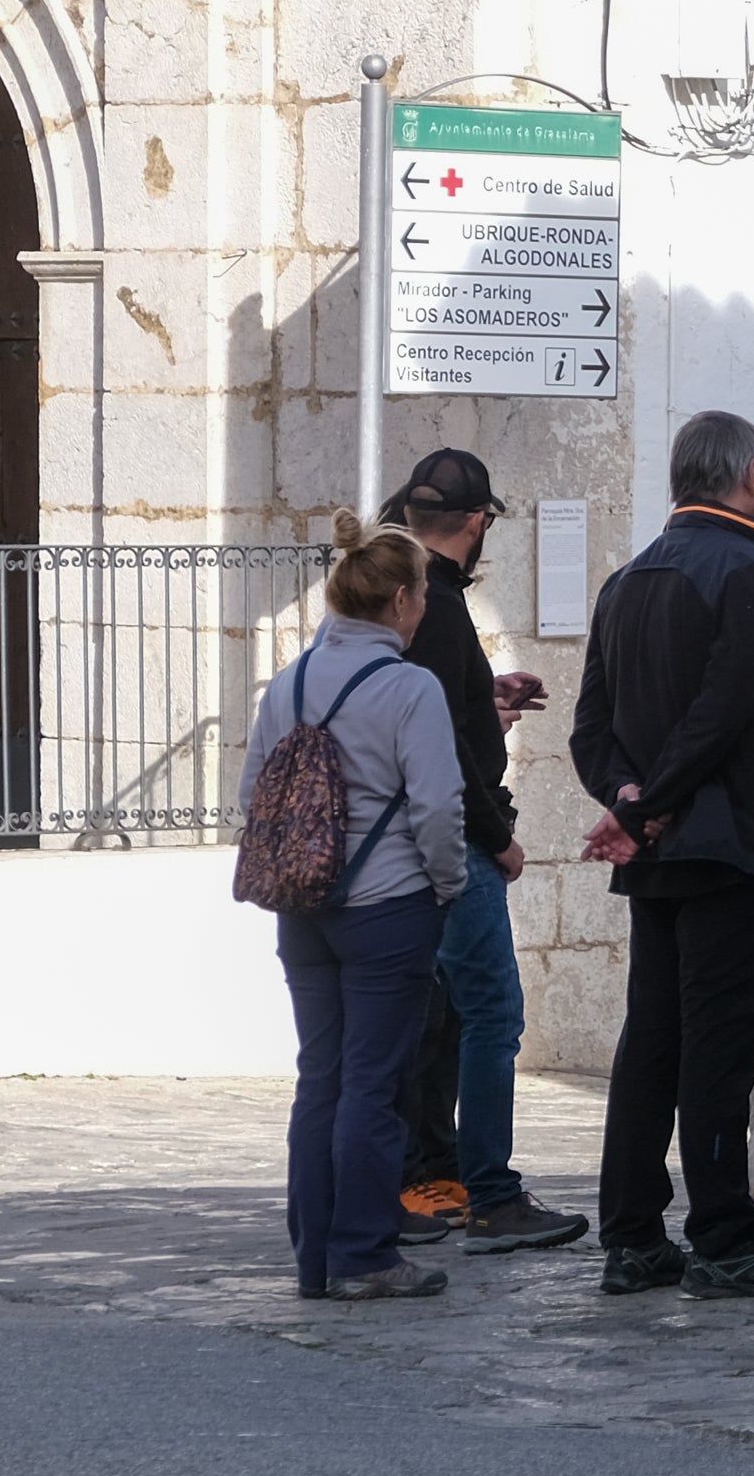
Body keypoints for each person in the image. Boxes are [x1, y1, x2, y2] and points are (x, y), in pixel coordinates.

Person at [570, 410, 754, 1299]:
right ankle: (723, 1235)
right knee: (716, 1051)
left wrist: (631, 802)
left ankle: (634, 1234)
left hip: (660, 848)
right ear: (750, 475)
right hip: (733, 845)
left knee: (652, 1044)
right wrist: (657, 800)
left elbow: (593, 729)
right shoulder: (752, 573)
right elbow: (724, 711)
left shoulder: (627, 578)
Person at [243, 511, 469, 1301]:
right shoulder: (409, 688)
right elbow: (439, 808)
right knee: (375, 1086)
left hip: (301, 909)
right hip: (389, 907)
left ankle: (316, 1258)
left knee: (323, 1080)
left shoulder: (290, 682)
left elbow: (254, 796)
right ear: (403, 600)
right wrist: (446, 886)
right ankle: (366, 1255)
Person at [383, 448, 586, 1257]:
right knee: (491, 1013)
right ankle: (493, 1194)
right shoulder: (431, 601)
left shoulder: (415, 598)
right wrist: (499, 841)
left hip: (417, 837)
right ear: (478, 522)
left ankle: (433, 1174)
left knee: (436, 1017)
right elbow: (437, 748)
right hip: (455, 840)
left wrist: (483, 702)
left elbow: (432, 716)